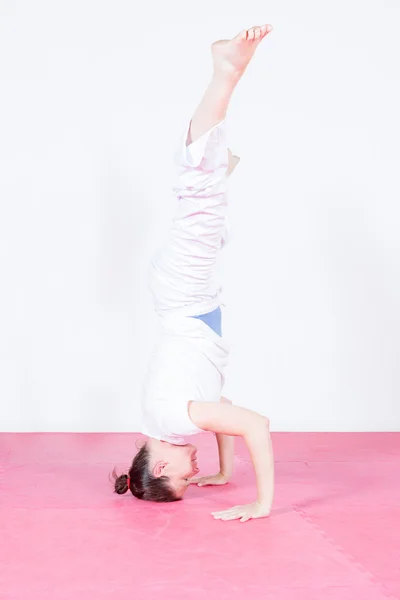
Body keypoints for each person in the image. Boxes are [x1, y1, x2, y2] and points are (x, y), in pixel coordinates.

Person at [113, 24, 274, 522]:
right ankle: (219, 164)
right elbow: (222, 404)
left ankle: (225, 71)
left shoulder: (171, 420)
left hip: (184, 295)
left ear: (158, 464)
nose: (191, 471)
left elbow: (255, 423)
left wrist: (261, 503)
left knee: (199, 193)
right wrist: (225, 472)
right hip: (185, 295)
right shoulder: (172, 421)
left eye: (182, 475)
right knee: (207, 206)